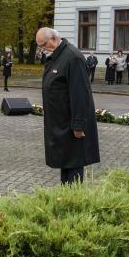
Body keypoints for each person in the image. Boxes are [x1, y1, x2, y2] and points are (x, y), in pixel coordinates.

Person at [36, 28, 99, 185]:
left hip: (72, 126)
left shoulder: (73, 57)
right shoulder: (58, 56)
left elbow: (81, 95)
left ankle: (74, 203)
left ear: (53, 39)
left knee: (74, 165)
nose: (42, 49)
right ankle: (65, 198)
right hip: (61, 122)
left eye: (43, 45)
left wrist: (78, 125)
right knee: (65, 162)